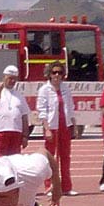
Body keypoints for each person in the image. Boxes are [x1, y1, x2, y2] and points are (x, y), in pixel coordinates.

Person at [37, 61, 77, 195]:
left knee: (65, 157)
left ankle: (67, 187)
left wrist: (74, 125)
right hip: (52, 126)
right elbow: (42, 111)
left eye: (60, 72)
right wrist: (46, 128)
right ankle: (49, 186)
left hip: (64, 126)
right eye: (54, 72)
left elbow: (70, 108)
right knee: (50, 157)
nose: (57, 75)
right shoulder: (44, 90)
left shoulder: (66, 89)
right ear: (49, 74)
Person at [0, 65, 30, 157]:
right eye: (10, 78)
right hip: (0, 130)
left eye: (14, 79)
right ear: (4, 77)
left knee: (14, 159)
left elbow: (24, 116)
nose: (12, 81)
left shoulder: (19, 95)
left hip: (16, 131)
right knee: (1, 159)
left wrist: (25, 136)